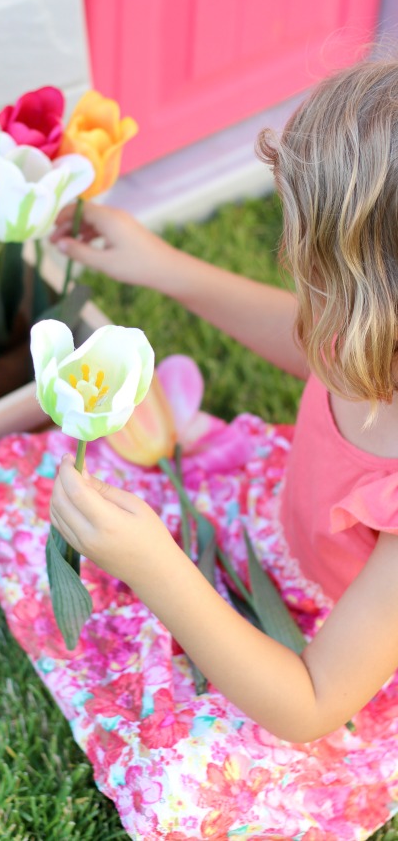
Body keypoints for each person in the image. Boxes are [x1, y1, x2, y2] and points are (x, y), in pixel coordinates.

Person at [49, 57, 398, 745]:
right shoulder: (370, 342)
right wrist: (165, 268)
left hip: (342, 653)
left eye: (314, 266)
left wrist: (155, 567)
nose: (288, 259)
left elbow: (312, 701)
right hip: (286, 544)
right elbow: (314, 348)